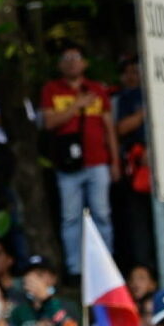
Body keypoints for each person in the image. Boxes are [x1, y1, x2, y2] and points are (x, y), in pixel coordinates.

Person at [40, 42, 115, 273]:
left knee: (102, 215)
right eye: (67, 58)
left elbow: (109, 129)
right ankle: (75, 269)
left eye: (76, 57)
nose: (72, 62)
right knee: (71, 218)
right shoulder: (51, 89)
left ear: (85, 63)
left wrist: (115, 162)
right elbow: (49, 122)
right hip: (67, 165)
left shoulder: (97, 90)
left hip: (98, 162)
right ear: (59, 65)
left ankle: (106, 268)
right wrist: (76, 106)